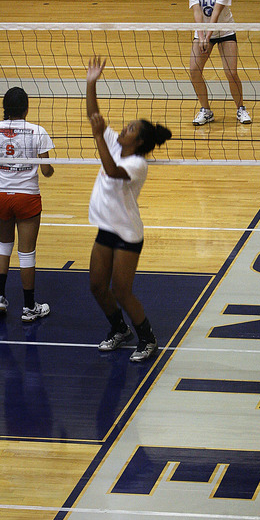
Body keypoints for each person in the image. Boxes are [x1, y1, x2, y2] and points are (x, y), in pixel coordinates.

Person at [86, 56, 172, 362]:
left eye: (131, 128)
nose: (124, 128)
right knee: (97, 286)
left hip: (127, 233)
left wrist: (98, 136)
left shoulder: (137, 164)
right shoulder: (113, 142)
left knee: (122, 291)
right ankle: (118, 328)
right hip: (107, 228)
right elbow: (94, 114)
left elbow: (111, 171)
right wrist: (91, 82)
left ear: (139, 141)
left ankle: (147, 339)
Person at [0, 87, 55, 322]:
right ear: (26, 108)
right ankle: (29, 307)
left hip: (1, 195)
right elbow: (46, 171)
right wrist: (49, 167)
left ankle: (0, 299)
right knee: (27, 253)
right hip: (27, 197)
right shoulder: (37, 131)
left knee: (3, 245)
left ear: (5, 107)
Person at [187, 0, 252, 127]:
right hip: (202, 32)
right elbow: (197, 13)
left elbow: (215, 13)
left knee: (231, 72)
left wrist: (208, 37)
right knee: (194, 70)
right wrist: (201, 37)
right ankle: (206, 111)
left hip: (224, 32)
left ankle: (241, 109)